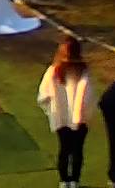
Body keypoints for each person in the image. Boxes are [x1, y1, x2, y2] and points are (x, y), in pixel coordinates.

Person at [37, 36, 96, 188]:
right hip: (79, 118)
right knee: (77, 150)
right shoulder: (83, 71)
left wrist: (52, 109)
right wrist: (83, 113)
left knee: (64, 149)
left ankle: (64, 182)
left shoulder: (54, 71)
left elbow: (43, 95)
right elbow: (88, 95)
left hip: (61, 117)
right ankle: (74, 181)